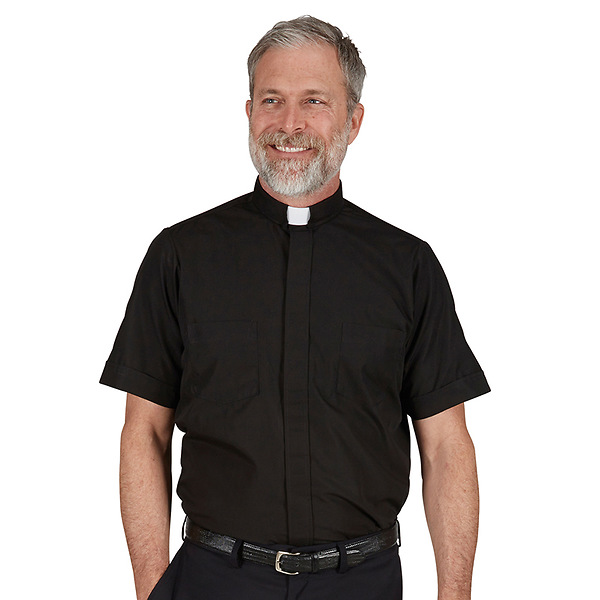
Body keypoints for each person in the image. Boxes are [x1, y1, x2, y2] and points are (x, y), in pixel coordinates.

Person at [101, 15, 490, 600]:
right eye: (272, 100)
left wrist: (454, 595)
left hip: (362, 583)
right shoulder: (180, 255)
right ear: (249, 112)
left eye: (314, 101)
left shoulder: (407, 265)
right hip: (213, 580)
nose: (289, 124)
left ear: (353, 120)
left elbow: (446, 446)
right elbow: (143, 434)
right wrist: (153, 589)